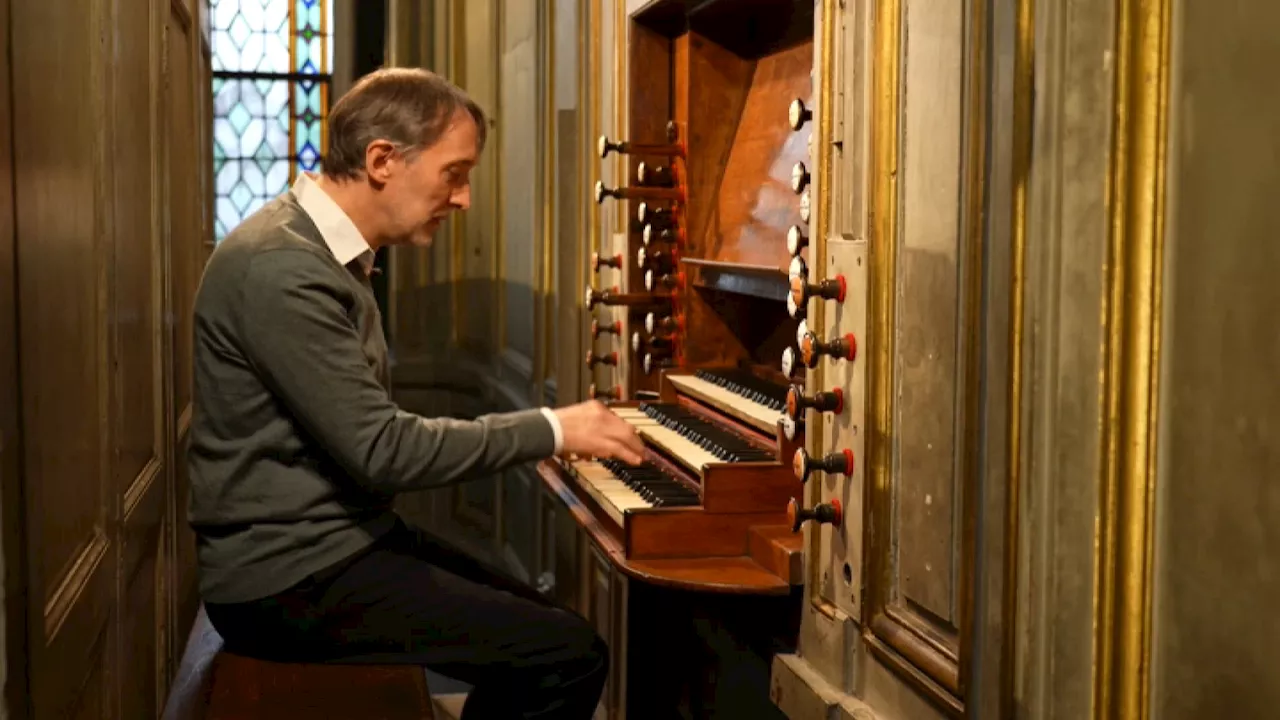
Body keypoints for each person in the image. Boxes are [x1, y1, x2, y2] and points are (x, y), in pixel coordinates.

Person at [188, 66, 646, 719]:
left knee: (553, 631)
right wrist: (552, 428)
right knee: (565, 656)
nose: (462, 199)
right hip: (285, 581)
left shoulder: (325, 251)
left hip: (334, 548)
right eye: (453, 174)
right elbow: (383, 450)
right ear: (382, 161)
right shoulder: (283, 265)